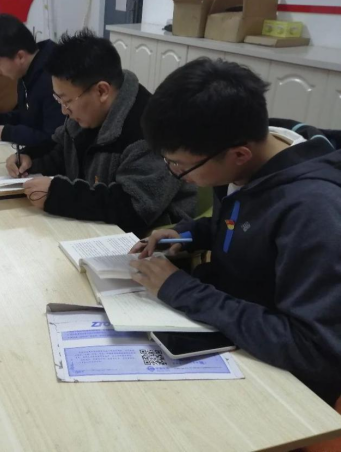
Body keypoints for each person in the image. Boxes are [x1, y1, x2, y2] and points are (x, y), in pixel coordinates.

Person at [131, 58, 341, 405]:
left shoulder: (314, 211)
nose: (175, 175)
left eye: (180, 165)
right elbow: (239, 223)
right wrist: (189, 233)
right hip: (227, 332)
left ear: (239, 154)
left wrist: (182, 290)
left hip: (281, 386)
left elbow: (315, 351)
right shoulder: (248, 152)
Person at [8, 29, 196, 233]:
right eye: (58, 99)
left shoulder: (149, 131)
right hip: (95, 226)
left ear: (101, 91)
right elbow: (60, 151)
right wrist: (29, 158)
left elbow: (135, 209)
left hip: (150, 238)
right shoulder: (86, 115)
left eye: (67, 100)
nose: (64, 110)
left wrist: (59, 195)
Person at [0, 14, 65, 146]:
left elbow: (53, 138)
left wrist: (7, 133)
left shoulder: (53, 77)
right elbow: (28, 117)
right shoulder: (27, 71)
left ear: (20, 56)